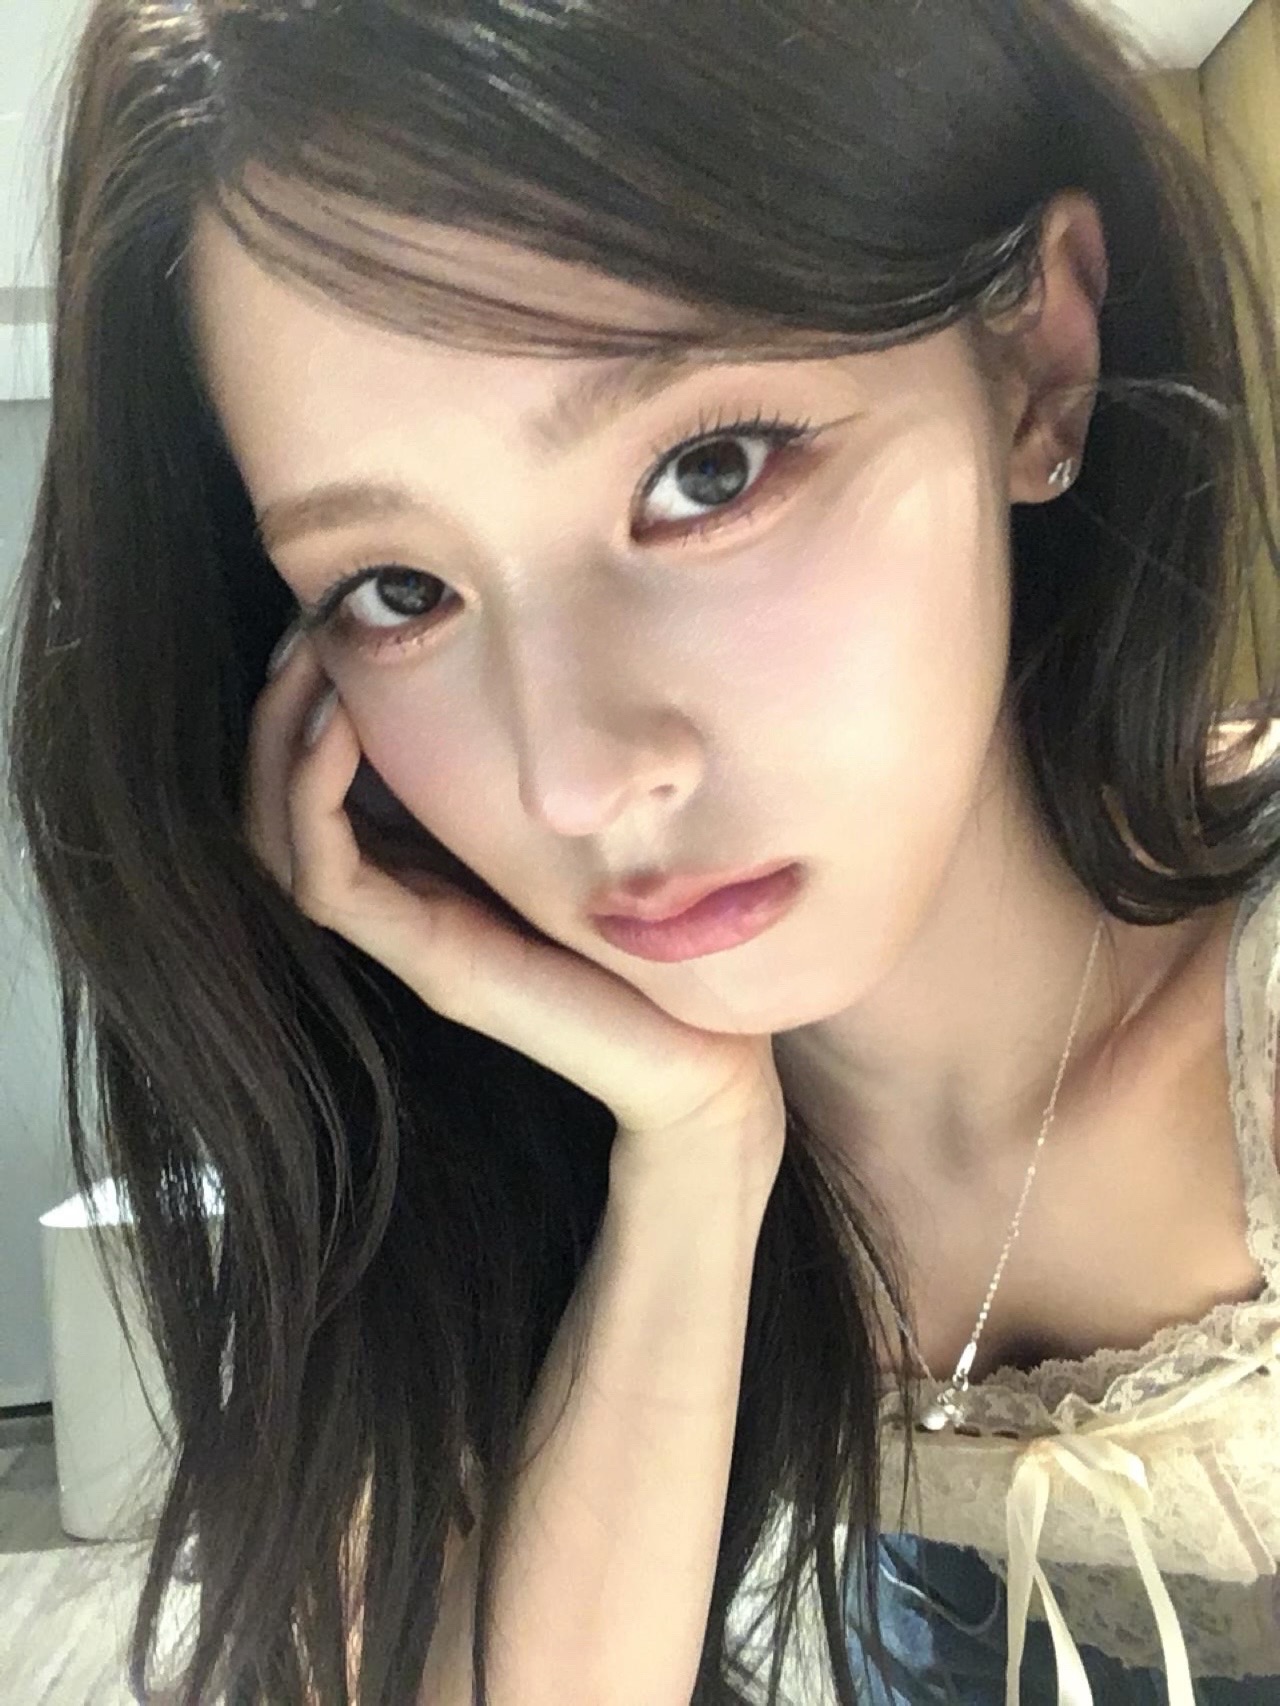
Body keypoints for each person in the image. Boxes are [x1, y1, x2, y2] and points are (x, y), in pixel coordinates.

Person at [2, 0, 1279, 1701]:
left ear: (1037, 360)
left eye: (709, 470)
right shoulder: (485, 1164)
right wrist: (690, 1161)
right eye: (399, 589)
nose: (580, 777)